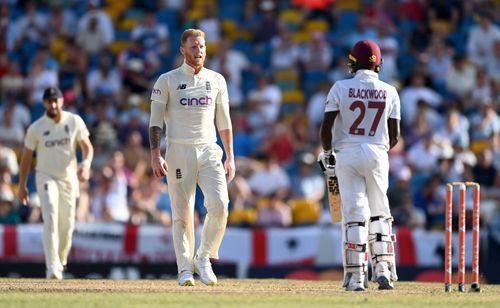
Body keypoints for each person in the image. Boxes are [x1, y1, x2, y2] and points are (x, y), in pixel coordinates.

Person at [149, 28, 235, 287]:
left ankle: (204, 257)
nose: (199, 52)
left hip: (209, 149)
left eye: (202, 47)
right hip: (178, 150)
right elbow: (155, 123)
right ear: (182, 50)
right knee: (182, 213)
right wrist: (155, 155)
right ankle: (185, 269)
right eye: (194, 47)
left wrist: (230, 156)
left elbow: (225, 121)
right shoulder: (167, 80)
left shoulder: (217, 80)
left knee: (220, 204)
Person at [318, 40, 400, 291]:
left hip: (348, 153)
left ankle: (356, 278)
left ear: (353, 63)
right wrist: (377, 147)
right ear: (379, 64)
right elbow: (395, 136)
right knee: (379, 211)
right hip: (377, 153)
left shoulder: (340, 87)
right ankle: (384, 269)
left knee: (354, 215)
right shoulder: (390, 90)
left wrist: (328, 153)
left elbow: (327, 128)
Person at [17, 87, 93, 279]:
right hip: (45, 176)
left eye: (55, 101)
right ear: (44, 103)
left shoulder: (74, 121)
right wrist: (22, 185)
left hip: (68, 179)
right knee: (50, 215)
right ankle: (52, 267)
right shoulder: (36, 128)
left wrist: (85, 164)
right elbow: (26, 158)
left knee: (67, 225)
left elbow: (87, 147)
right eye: (49, 101)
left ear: (61, 101)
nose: (52, 105)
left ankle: (60, 259)